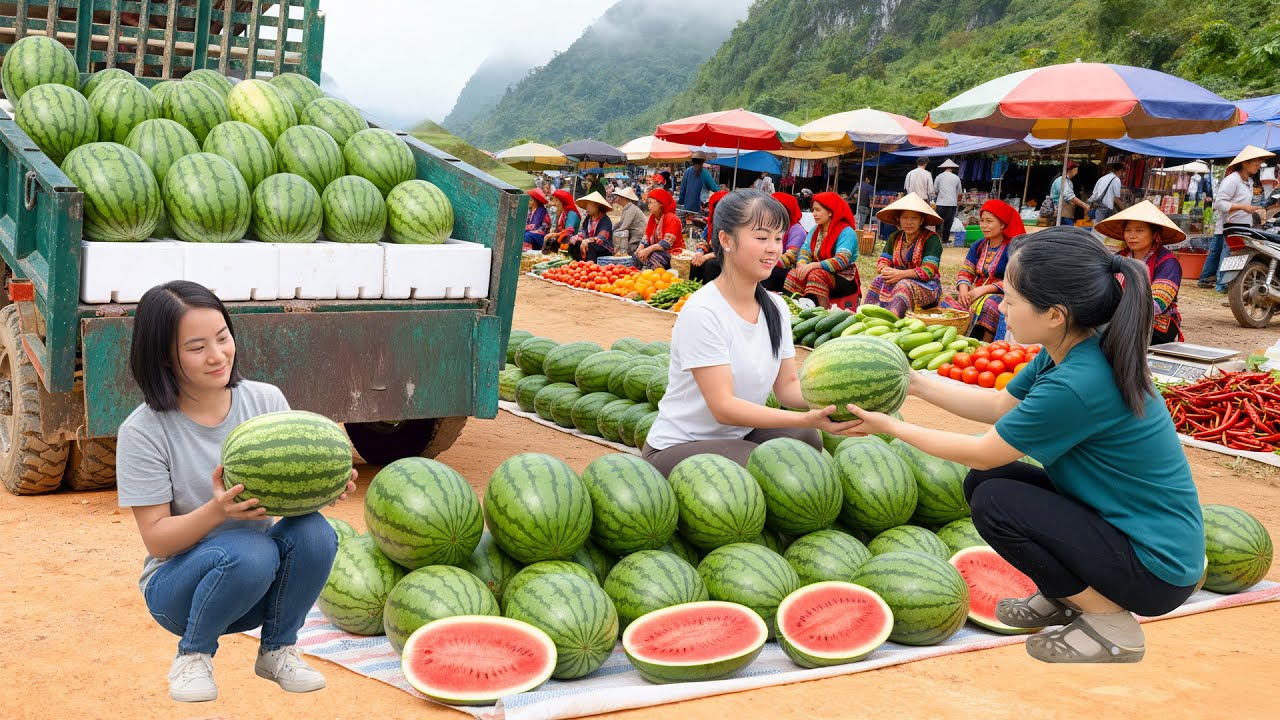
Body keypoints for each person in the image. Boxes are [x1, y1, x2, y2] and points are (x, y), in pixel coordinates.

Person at [845, 227, 1204, 664]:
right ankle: (1065, 595)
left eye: (1011, 300)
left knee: (996, 498)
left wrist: (891, 427)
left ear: (1054, 313)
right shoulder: (1069, 348)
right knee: (988, 483)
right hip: (1122, 530)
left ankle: (1109, 620)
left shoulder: (1079, 382)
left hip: (1154, 568)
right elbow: (999, 405)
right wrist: (914, 382)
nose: (1001, 307)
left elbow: (984, 450)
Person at [116, 281, 357, 702]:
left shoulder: (265, 399)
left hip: (256, 590)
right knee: (252, 549)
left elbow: (293, 488)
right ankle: (193, 655)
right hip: (179, 591)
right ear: (164, 358)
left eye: (223, 337)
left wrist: (325, 487)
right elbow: (156, 538)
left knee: (317, 530)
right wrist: (218, 510)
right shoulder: (142, 431)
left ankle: (278, 648)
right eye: (196, 347)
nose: (217, 355)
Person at [643, 190, 861, 475]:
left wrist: (843, 401)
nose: (773, 248)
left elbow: (787, 388)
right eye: (761, 238)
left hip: (737, 436)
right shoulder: (703, 311)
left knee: (805, 440)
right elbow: (723, 407)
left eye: (778, 238)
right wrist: (806, 418)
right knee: (771, 466)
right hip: (678, 446)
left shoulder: (776, 307)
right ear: (726, 240)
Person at [1095, 201, 1186, 344]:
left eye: (1139, 230)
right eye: (1128, 230)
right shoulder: (1118, 258)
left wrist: (1120, 314)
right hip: (1117, 316)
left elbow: (1157, 303)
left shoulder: (1168, 262)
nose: (1132, 236)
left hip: (1155, 321)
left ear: (1154, 234)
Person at [941, 199, 1024, 341]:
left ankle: (985, 345)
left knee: (990, 304)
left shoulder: (1013, 248)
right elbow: (966, 271)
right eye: (982, 221)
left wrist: (983, 290)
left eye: (989, 221)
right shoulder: (979, 245)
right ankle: (955, 340)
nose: (984, 226)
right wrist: (963, 289)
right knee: (946, 303)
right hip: (975, 292)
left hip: (1004, 295)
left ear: (1003, 224)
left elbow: (1016, 280)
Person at [1199, 145, 1276, 291]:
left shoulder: (1249, 181)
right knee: (1228, 254)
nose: (1258, 166)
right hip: (1230, 225)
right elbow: (1219, 204)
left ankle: (1209, 280)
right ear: (1245, 163)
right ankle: (1221, 285)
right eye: (1256, 162)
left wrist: (1254, 209)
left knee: (1220, 252)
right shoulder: (1232, 180)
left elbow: (1243, 202)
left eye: (1260, 163)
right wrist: (1243, 207)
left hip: (1241, 224)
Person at [864, 193, 944, 317]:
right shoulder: (894, 237)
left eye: (914, 218)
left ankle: (892, 319)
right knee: (878, 280)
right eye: (905, 217)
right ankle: (868, 315)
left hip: (927, 286)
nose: (909, 222)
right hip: (897, 279)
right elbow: (883, 261)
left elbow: (929, 270)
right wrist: (886, 270)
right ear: (899, 219)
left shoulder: (931, 238)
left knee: (903, 285)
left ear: (921, 220)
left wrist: (901, 275)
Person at [782, 192, 860, 307]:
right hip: (820, 271)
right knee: (794, 273)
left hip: (843, 277)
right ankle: (793, 307)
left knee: (816, 275)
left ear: (830, 211)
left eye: (817, 210)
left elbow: (842, 260)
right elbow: (805, 250)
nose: (814, 214)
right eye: (813, 210)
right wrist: (802, 264)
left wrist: (813, 265)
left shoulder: (847, 232)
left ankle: (822, 311)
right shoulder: (816, 230)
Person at [769, 191, 809, 291]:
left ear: (786, 211)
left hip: (788, 270)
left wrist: (763, 262)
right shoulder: (770, 226)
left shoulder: (796, 230)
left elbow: (790, 258)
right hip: (771, 264)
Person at [635, 188, 682, 270]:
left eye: (651, 203)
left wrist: (648, 250)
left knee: (655, 256)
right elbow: (647, 236)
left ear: (661, 204)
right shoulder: (653, 218)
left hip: (674, 253)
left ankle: (655, 276)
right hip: (656, 250)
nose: (648, 205)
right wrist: (641, 247)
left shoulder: (672, 218)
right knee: (637, 255)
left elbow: (666, 244)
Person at [690, 190, 730, 284]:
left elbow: (732, 249)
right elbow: (704, 240)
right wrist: (700, 253)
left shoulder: (735, 225)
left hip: (729, 258)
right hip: (714, 255)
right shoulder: (712, 224)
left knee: (710, 264)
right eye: (717, 208)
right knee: (695, 261)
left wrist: (707, 256)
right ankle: (694, 290)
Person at [566, 192, 614, 263]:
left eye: (589, 206)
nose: (587, 208)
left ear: (597, 206)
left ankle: (591, 265)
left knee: (590, 245)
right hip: (588, 244)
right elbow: (583, 231)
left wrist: (587, 240)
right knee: (574, 244)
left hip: (603, 248)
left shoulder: (605, 220)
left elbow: (602, 238)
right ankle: (577, 263)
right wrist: (576, 237)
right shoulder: (588, 218)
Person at [1048, 161, 1089, 225]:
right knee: (1068, 231)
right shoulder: (1062, 180)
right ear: (1071, 170)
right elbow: (1070, 197)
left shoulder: (1068, 181)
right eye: (1076, 170)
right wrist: (1085, 205)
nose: (1077, 172)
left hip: (1066, 213)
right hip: (1061, 213)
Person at [541, 190, 581, 254]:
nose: (554, 204)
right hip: (561, 239)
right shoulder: (563, 212)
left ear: (562, 201)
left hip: (568, 243)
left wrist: (555, 234)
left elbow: (569, 230)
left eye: (556, 201)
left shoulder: (571, 214)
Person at [934, 159, 963, 247]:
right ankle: (945, 241)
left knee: (938, 222)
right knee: (948, 223)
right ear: (952, 168)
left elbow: (935, 191)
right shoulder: (956, 178)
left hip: (941, 203)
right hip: (952, 204)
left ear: (944, 168)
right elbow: (960, 193)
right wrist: (957, 200)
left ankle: (935, 240)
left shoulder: (939, 177)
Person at [612, 186, 648, 256]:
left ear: (625, 198)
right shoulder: (627, 209)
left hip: (637, 238)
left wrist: (613, 232)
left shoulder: (631, 209)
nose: (618, 199)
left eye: (619, 197)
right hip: (634, 235)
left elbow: (624, 226)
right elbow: (620, 223)